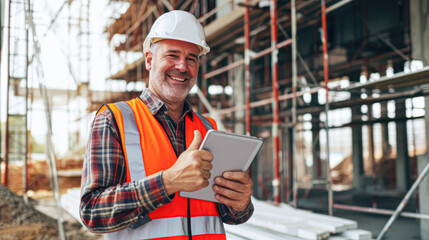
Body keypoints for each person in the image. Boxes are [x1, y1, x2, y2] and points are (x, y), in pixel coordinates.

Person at [80, 10, 254, 240]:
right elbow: (93, 212)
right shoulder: (115, 119)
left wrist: (241, 202)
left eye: (191, 58)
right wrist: (167, 182)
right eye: (172, 55)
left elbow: (230, 215)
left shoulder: (207, 127)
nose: (182, 67)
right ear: (149, 60)